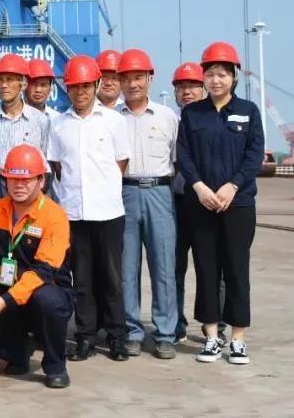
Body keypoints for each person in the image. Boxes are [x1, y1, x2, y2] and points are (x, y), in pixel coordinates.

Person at [177, 41, 264, 365]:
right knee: (207, 270)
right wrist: (199, 187)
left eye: (222, 74)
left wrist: (232, 186)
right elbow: (183, 154)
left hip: (238, 205)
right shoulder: (192, 113)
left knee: (237, 270)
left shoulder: (249, 112)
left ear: (234, 77)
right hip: (200, 204)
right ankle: (212, 337)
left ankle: (238, 339)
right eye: (211, 74)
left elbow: (254, 154)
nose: (216, 80)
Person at [46, 55, 131, 362]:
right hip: (74, 214)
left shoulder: (113, 121)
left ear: (96, 85)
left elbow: (121, 162)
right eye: (73, 87)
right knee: (81, 280)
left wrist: (100, 188)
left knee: (111, 278)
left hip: (108, 212)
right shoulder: (59, 125)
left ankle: (117, 336)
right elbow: (57, 166)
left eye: (85, 86)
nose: (79, 92)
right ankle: (85, 337)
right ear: (66, 89)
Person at [0, 145, 74, 389]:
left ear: (41, 181)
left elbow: (44, 271)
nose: (19, 185)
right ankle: (19, 353)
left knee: (46, 300)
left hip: (44, 291)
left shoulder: (55, 216)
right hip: (8, 293)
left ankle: (55, 365)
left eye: (26, 180)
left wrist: (4, 301)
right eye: (13, 179)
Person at [117, 49, 179, 359]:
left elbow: (177, 161)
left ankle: (165, 333)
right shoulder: (113, 119)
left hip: (159, 192)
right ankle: (132, 331)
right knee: (127, 268)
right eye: (126, 78)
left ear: (150, 79)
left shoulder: (168, 117)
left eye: (138, 77)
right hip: (124, 193)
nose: (133, 84)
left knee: (163, 265)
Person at [170, 61, 220, 342]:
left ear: (204, 88)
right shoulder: (168, 121)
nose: (187, 91)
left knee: (211, 266)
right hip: (175, 203)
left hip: (207, 202)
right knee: (174, 267)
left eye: (193, 86)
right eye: (181, 87)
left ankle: (215, 323)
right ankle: (176, 323)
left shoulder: (212, 121)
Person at [0, 54, 50, 203]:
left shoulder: (40, 120)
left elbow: (44, 154)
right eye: (0, 80)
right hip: (0, 187)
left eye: (10, 80)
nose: (4, 85)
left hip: (32, 186)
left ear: (23, 83)